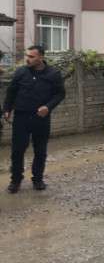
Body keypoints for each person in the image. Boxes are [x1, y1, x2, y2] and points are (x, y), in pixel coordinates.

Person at [3, 45, 65, 193]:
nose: (27, 59)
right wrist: (7, 109)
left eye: (31, 56)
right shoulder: (21, 72)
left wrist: (48, 107)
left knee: (40, 150)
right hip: (21, 117)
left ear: (41, 57)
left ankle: (38, 179)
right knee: (17, 150)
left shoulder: (53, 74)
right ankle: (15, 180)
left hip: (41, 118)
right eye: (27, 55)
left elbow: (60, 94)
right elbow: (11, 91)